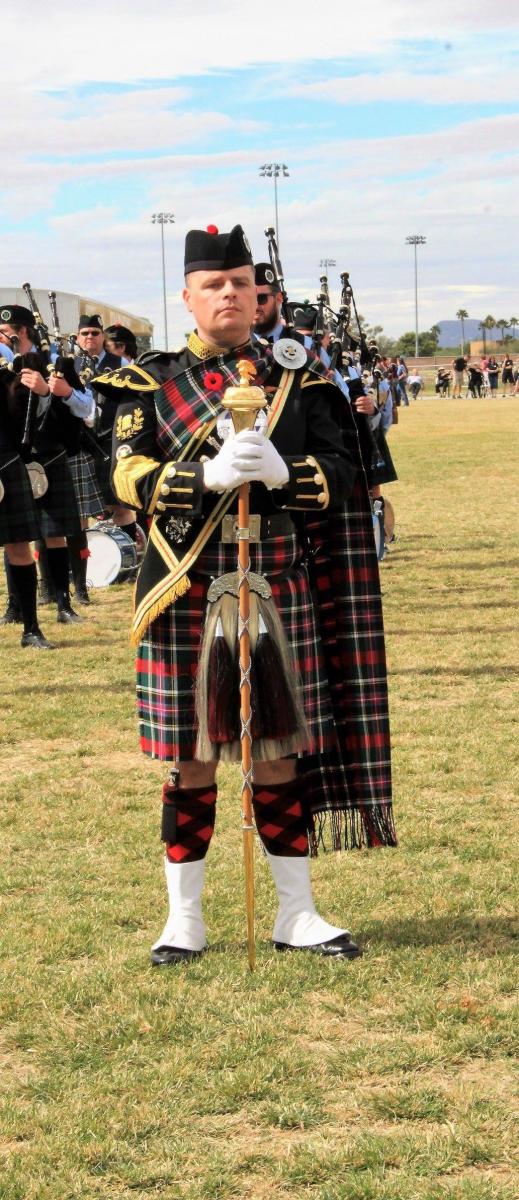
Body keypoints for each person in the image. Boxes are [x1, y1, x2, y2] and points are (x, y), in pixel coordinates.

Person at [96, 224, 395, 966]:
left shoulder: (304, 376)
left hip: (277, 579)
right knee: (190, 758)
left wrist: (278, 475)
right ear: (188, 298)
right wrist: (205, 479)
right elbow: (122, 474)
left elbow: (342, 475)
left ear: (258, 294)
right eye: (213, 285)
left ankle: (296, 913)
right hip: (187, 585)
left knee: (278, 750)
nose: (229, 294)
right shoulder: (149, 382)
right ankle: (184, 920)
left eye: (240, 283)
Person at [75, 315, 138, 546]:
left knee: (118, 503)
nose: (90, 337)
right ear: (78, 337)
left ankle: (129, 556)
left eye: (95, 332)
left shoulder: (120, 363)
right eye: (85, 333)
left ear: (103, 336)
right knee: (80, 508)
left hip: (110, 438)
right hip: (81, 442)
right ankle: (83, 562)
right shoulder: (69, 364)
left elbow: (135, 398)